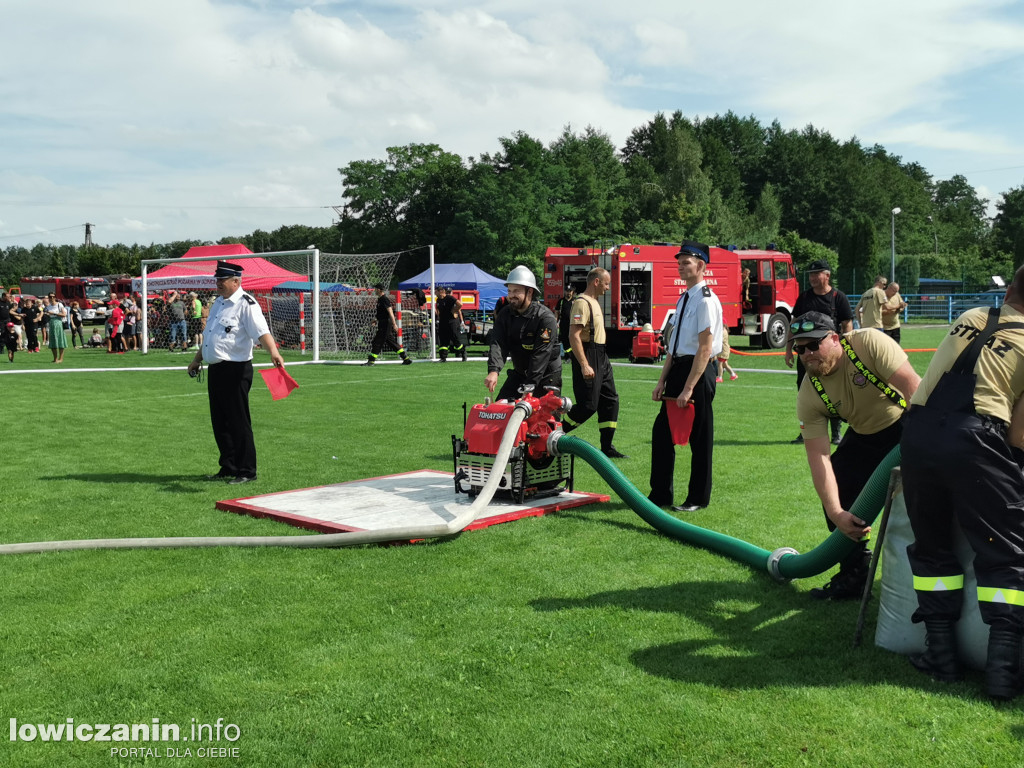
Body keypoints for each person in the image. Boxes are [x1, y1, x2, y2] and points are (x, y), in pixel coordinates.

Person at [901, 266, 1024, 699]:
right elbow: (1019, 436)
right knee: (1005, 555)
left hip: (917, 436)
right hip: (977, 439)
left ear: (1008, 291)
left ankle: (942, 659)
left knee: (932, 547)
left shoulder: (970, 316)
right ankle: (1003, 674)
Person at [790, 310, 920, 600]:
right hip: (864, 436)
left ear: (835, 338)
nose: (807, 354)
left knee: (921, 504)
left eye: (814, 345)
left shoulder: (868, 343)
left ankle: (927, 581)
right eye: (800, 348)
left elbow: (914, 388)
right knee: (837, 485)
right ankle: (855, 575)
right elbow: (819, 458)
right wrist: (836, 513)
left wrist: (921, 443)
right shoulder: (809, 392)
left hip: (908, 423)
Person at [187, 261, 285, 485]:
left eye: (222, 280)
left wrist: (273, 352)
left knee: (238, 421)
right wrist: (196, 360)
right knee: (220, 420)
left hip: (236, 369)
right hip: (216, 369)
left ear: (236, 281)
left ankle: (247, 470)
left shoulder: (246, 304)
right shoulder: (220, 304)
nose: (218, 283)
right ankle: (229, 466)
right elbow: (211, 337)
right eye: (217, 279)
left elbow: (261, 331)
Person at [649, 241, 723, 513]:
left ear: (701, 265)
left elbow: (705, 348)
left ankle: (697, 499)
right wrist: (661, 382)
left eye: (686, 262)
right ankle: (659, 495)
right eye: (679, 262)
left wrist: (689, 387)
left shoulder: (705, 300)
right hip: (679, 367)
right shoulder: (684, 298)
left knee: (699, 437)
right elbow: (673, 345)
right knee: (662, 433)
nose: (681, 266)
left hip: (698, 371)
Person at [785, 259, 854, 445]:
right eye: (811, 275)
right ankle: (805, 432)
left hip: (830, 356)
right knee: (804, 393)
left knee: (834, 391)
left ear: (827, 275)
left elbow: (847, 324)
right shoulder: (804, 298)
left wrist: (847, 348)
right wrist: (788, 350)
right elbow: (793, 324)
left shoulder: (838, 298)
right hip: (806, 355)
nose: (813, 278)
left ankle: (836, 433)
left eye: (817, 274)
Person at [562, 267, 626, 458]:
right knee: (588, 405)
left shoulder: (595, 302)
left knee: (611, 401)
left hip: (601, 355)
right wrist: (584, 364)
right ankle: (555, 434)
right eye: (606, 283)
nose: (608, 288)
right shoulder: (581, 303)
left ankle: (607, 447)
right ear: (596, 282)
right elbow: (573, 336)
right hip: (588, 354)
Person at [485, 265, 561, 402]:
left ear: (529, 292)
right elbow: (498, 343)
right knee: (499, 411)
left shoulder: (545, 318)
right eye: (509, 291)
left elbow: (541, 355)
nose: (511, 295)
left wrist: (529, 387)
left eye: (516, 291)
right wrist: (494, 370)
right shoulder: (504, 315)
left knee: (544, 419)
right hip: (520, 373)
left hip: (546, 375)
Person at [363, 283, 412, 366]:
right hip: (382, 322)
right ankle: (406, 358)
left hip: (386, 323)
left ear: (379, 289)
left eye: (375, 289)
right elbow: (382, 313)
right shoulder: (380, 299)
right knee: (391, 342)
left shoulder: (384, 299)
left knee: (377, 342)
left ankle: (371, 361)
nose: (374, 290)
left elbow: (390, 312)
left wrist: (394, 324)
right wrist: (376, 319)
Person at [435, 286, 466, 362]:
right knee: (443, 340)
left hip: (452, 322)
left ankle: (463, 353)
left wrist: (454, 310)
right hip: (443, 322)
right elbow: (439, 310)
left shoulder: (449, 298)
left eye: (435, 291)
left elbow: (460, 304)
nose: (434, 293)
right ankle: (443, 357)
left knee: (455, 339)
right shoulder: (438, 300)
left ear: (440, 291)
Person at [555, 284, 577, 361]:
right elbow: (557, 312)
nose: (568, 293)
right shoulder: (561, 301)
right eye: (567, 291)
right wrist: (555, 321)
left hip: (572, 324)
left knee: (572, 339)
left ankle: (572, 356)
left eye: (570, 291)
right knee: (564, 340)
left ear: (572, 292)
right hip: (563, 324)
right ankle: (567, 356)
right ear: (565, 292)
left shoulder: (575, 301)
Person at [43, 293, 67, 363]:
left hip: (58, 323)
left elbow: (64, 314)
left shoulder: (59, 304)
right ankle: (55, 358)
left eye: (53, 296)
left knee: (60, 340)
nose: (52, 298)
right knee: (53, 341)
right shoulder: (48, 306)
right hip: (51, 323)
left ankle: (61, 358)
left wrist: (53, 313)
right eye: (50, 297)